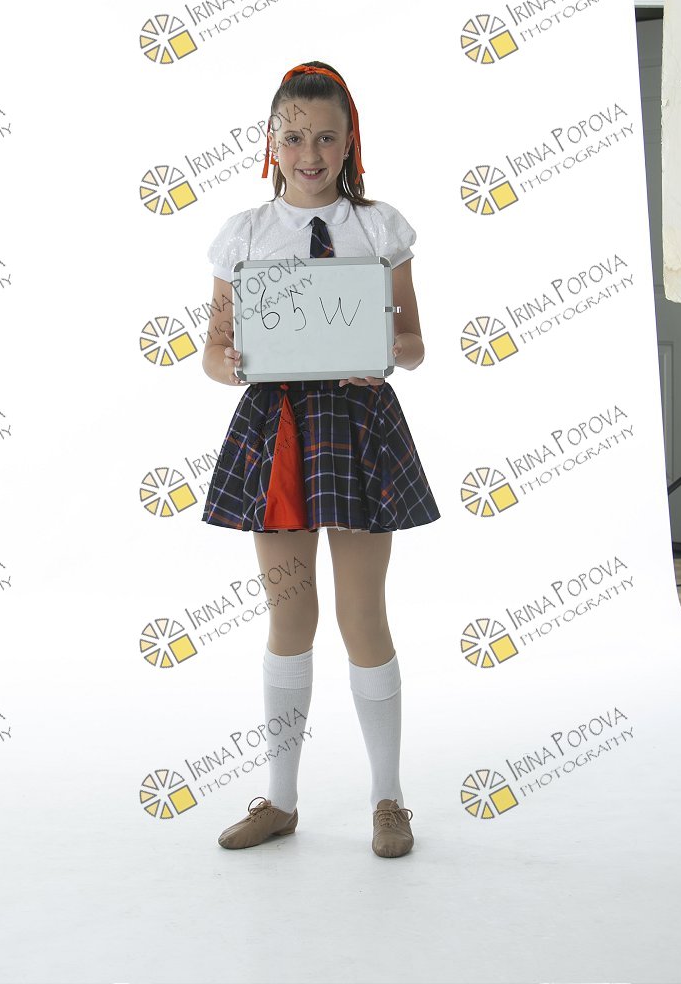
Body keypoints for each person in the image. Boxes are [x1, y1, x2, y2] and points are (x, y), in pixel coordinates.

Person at [201, 61, 441, 857]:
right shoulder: (243, 234)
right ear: (271, 142)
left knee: (362, 614)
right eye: (295, 137)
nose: (310, 154)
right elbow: (212, 353)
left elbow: (414, 342)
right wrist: (236, 363)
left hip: (359, 424)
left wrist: (383, 352)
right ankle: (280, 799)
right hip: (277, 429)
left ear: (349, 143)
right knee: (289, 614)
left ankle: (388, 800)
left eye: (327, 138)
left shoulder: (379, 229)